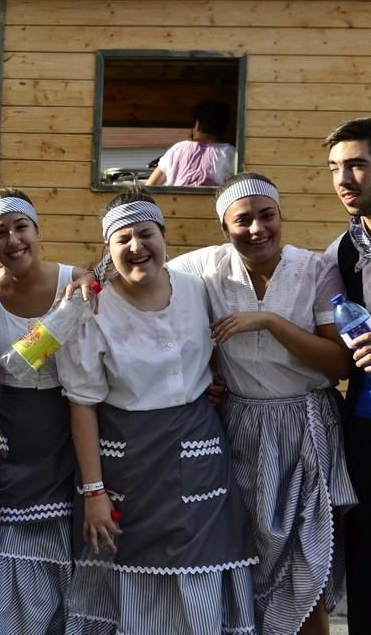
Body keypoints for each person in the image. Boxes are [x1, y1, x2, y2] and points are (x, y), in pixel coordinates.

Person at [164, 172, 358, 635]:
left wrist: (270, 321)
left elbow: (340, 364)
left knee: (306, 565)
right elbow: (136, 266)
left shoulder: (314, 268)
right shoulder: (204, 268)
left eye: (266, 216)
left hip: (308, 426)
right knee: (250, 561)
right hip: (243, 427)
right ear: (224, 228)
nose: (257, 229)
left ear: (280, 215)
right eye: (242, 221)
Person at [57, 190, 257, 634]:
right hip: (129, 462)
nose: (136, 246)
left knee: (203, 572)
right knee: (131, 581)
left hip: (201, 456)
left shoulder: (195, 285)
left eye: (146, 233)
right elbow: (82, 404)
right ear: (107, 249)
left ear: (164, 237)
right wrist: (94, 493)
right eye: (122, 238)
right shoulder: (89, 308)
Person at [0, 188, 87, 634]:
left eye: (21, 228)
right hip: (12, 434)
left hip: (70, 428)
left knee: (71, 554)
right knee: (12, 558)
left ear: (38, 231)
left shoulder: (76, 280)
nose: (13, 240)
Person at [322, 116, 371, 635]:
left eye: (358, 164)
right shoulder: (345, 248)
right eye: (336, 168)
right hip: (363, 426)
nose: (343, 179)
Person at [145, 100, 236, 187]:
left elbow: (150, 185)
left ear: (197, 124)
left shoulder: (178, 149)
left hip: (175, 202)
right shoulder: (231, 153)